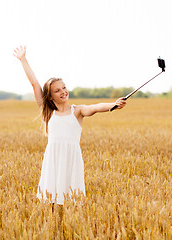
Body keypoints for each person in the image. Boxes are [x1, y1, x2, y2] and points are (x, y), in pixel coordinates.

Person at [13, 46, 126, 205]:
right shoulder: (48, 112)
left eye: (64, 87)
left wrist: (113, 105)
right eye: (57, 90)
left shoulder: (77, 111)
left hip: (72, 158)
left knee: (71, 198)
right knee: (51, 197)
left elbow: (94, 108)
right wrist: (23, 59)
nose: (63, 92)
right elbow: (34, 83)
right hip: (53, 158)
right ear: (50, 97)